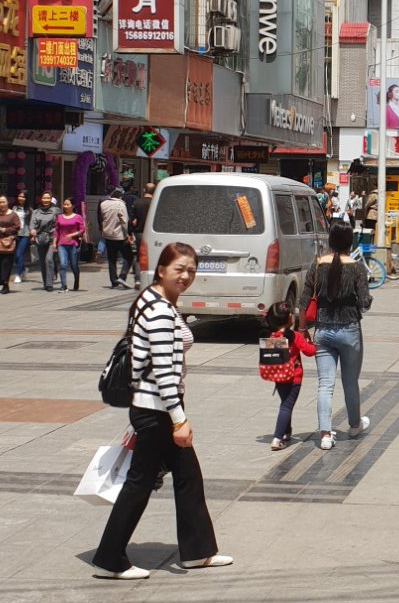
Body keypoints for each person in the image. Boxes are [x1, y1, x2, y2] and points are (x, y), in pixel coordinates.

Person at [92, 242, 232, 579]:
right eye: (179, 269)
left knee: (187, 476)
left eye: (191, 270)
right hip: (158, 409)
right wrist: (179, 418)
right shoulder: (157, 309)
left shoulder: (159, 301)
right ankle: (110, 558)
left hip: (155, 406)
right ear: (161, 270)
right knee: (140, 482)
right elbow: (163, 370)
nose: (186, 276)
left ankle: (197, 552)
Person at [298, 220, 372, 450]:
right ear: (350, 242)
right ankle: (353, 425)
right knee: (350, 381)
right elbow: (365, 302)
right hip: (349, 331)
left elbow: (303, 301)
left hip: (322, 331)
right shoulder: (358, 267)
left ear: (330, 241)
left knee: (325, 384)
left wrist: (302, 329)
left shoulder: (318, 265)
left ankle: (325, 435)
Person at [262, 302, 316, 450]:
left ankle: (286, 432)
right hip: (294, 378)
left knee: (285, 403)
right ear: (289, 319)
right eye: (291, 314)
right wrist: (314, 344)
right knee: (286, 406)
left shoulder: (272, 336)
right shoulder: (294, 336)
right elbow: (309, 351)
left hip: (278, 378)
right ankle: (277, 438)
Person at [100, 187, 133, 288]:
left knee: (111, 259)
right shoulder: (120, 204)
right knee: (128, 257)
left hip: (108, 235)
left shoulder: (103, 204)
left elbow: (102, 217)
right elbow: (124, 221)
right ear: (120, 197)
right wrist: (127, 234)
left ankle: (114, 280)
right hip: (120, 235)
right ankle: (122, 276)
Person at [0, 196, 20, 294]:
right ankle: (2, 281)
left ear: (7, 203)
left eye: (4, 202)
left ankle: (6, 284)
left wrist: (5, 230)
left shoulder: (13, 215)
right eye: (0, 202)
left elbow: (17, 226)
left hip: (9, 242)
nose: (2, 204)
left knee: (7, 263)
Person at [29, 191, 59, 292]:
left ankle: (50, 284)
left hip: (51, 238)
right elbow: (32, 224)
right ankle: (45, 282)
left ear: (51, 199)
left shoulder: (56, 211)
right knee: (42, 262)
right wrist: (32, 230)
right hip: (40, 239)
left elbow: (60, 224)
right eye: (44, 198)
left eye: (48, 198)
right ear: (41, 199)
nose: (46, 200)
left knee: (49, 259)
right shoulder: (36, 212)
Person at [55, 197, 85, 292]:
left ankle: (76, 280)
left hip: (73, 244)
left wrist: (73, 235)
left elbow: (82, 229)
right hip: (61, 244)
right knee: (63, 264)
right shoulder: (59, 217)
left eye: (68, 204)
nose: (66, 206)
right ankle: (64, 285)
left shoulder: (77, 217)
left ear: (73, 206)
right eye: (64, 204)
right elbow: (56, 230)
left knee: (74, 265)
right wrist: (54, 242)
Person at [131, 183, 155, 288]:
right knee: (153, 255)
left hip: (139, 233)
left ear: (144, 190)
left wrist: (130, 232)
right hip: (154, 233)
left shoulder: (137, 203)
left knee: (138, 257)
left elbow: (133, 221)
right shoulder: (156, 203)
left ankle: (138, 279)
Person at [11, 191, 32, 283]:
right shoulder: (14, 208)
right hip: (15, 234)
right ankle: (23, 269)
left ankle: (18, 274)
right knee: (15, 256)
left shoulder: (29, 210)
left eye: (23, 197)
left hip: (25, 234)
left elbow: (32, 222)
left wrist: (32, 234)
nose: (21, 198)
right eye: (20, 196)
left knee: (19, 254)